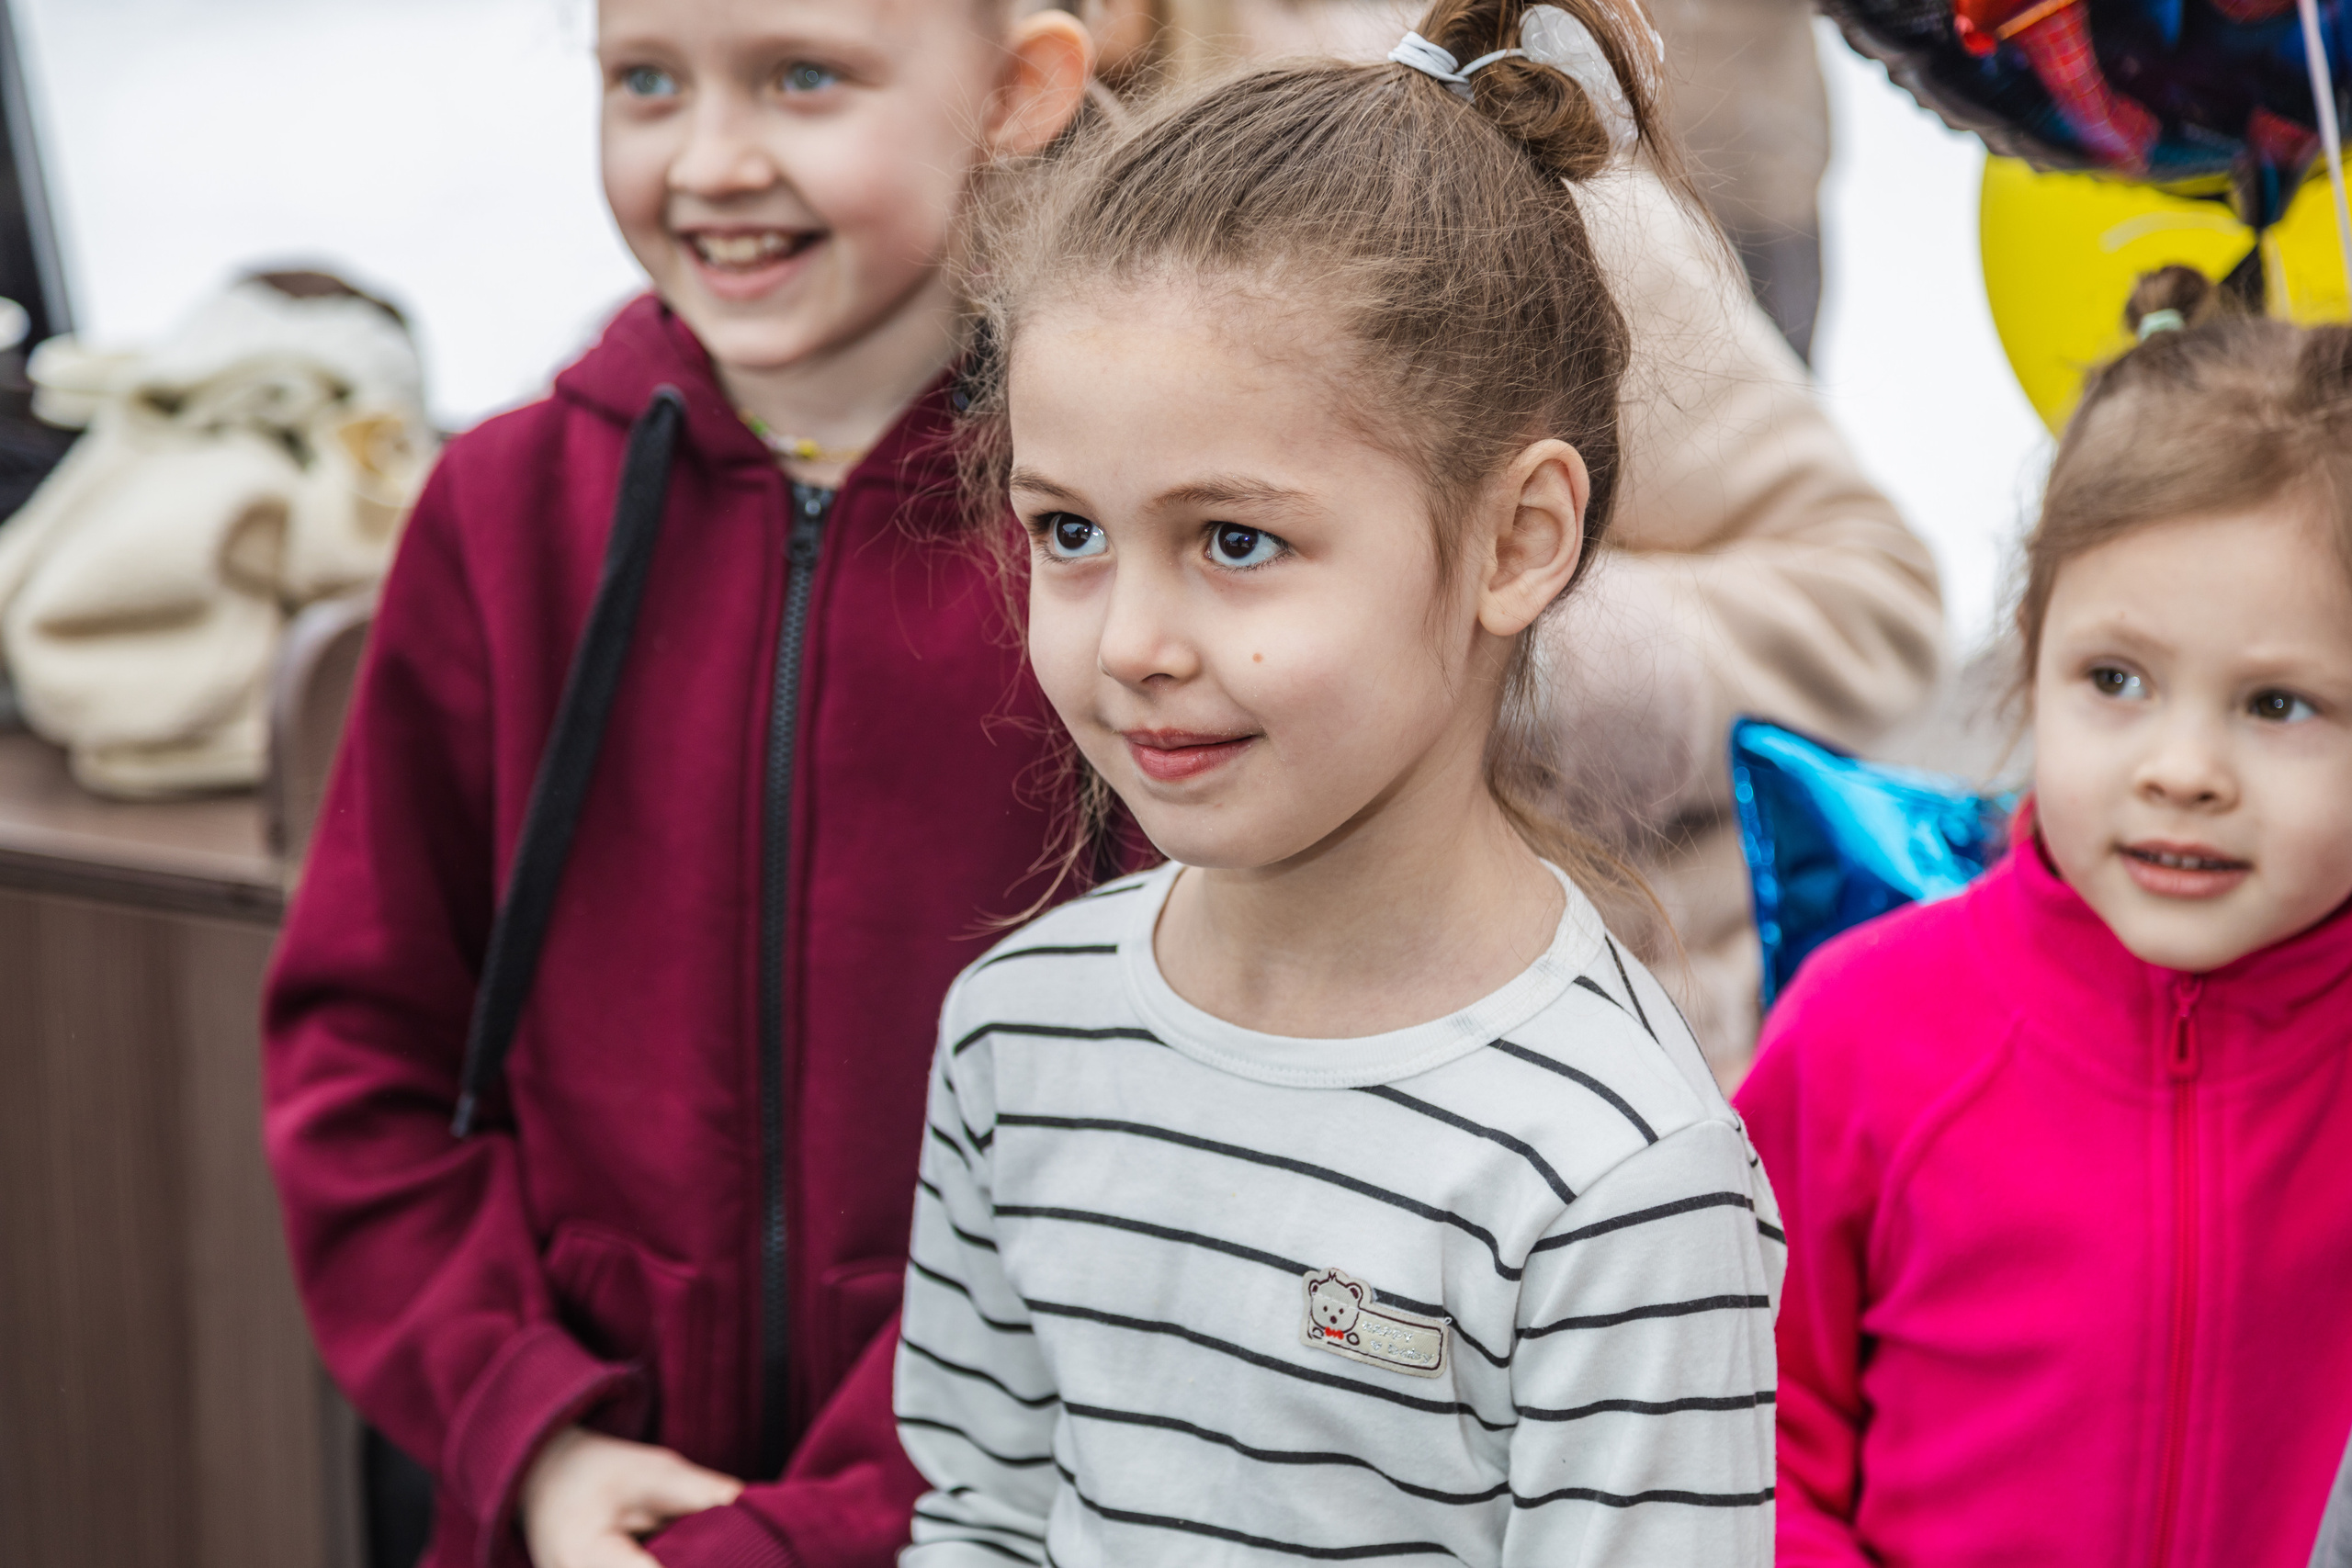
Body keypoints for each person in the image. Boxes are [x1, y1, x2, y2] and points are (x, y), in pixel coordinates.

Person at [892, 3, 1784, 1562]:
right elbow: (983, 1515)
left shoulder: (1615, 1166)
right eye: (1070, 532)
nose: (1134, 643)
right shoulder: (1013, 1033)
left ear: (1516, 540)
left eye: (1237, 539)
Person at [260, 6, 1091, 1567]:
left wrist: (805, 1531)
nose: (709, 161)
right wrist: (533, 1430)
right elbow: (365, 1055)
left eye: (802, 76)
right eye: (646, 80)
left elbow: (1146, 1156)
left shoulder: (1098, 548)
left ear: (1018, 90)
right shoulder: (500, 513)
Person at [1072, 0, 1941, 1088]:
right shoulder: (953, 233)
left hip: (1569, 1055)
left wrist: (1496, 639)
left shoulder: (1470, 185)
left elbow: (1874, 597)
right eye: (1066, 531)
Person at [1736, 267, 2352, 1566]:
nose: (2183, 769)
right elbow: (1744, 1419)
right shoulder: (1862, 1033)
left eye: (2278, 704)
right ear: (2030, 660)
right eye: (2115, 680)